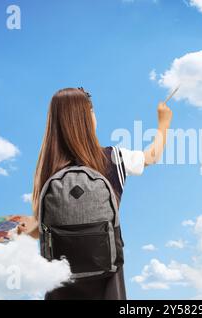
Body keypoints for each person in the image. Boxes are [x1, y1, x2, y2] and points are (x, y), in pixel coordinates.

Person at [29, 87, 173, 299]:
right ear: (88, 119)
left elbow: (41, 232)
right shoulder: (114, 158)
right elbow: (152, 155)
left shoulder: (47, 169)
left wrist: (20, 230)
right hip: (107, 282)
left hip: (60, 284)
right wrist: (163, 122)